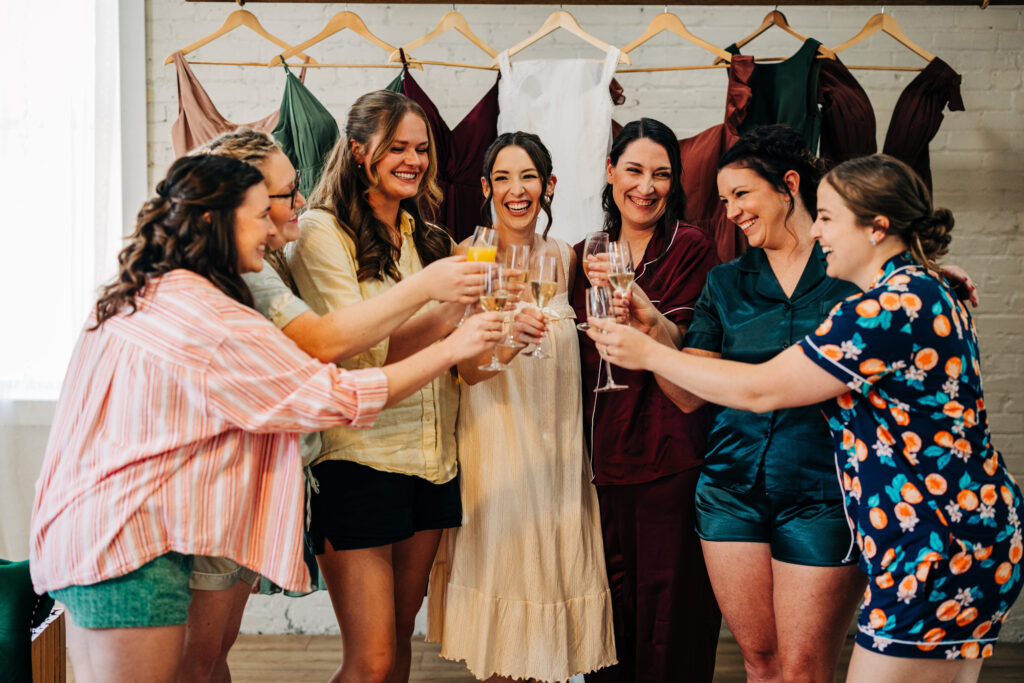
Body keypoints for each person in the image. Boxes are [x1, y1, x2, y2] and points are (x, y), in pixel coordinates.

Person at [29, 154, 503, 683]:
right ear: (216, 222)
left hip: (85, 534)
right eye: (261, 214)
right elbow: (335, 396)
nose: (276, 226)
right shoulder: (214, 318)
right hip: (132, 545)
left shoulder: (145, 292)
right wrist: (451, 347)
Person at [588, 153, 1023, 683]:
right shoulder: (921, 291)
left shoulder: (886, 307)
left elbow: (760, 387)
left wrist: (650, 353)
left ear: (877, 228)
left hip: (931, 542)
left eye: (829, 217)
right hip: (959, 531)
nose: (816, 231)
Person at [181, 128, 489, 683]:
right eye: (284, 194)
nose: (299, 202)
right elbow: (334, 355)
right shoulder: (293, 248)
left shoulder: (260, 271)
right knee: (201, 664)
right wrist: (436, 307)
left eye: (421, 149)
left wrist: (463, 325)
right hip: (223, 489)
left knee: (214, 661)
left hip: (260, 484)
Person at [287, 90, 482, 683]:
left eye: (421, 149)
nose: (413, 160)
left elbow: (458, 357)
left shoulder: (430, 238)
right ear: (357, 150)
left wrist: (498, 332)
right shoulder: (324, 232)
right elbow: (355, 356)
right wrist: (440, 307)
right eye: (396, 146)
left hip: (433, 460)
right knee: (369, 661)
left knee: (399, 641)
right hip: (360, 459)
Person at [426, 132, 616, 681]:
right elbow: (466, 370)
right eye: (504, 178)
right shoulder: (469, 257)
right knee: (505, 590)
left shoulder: (565, 258)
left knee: (550, 589)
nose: (517, 190)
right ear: (486, 188)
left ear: (549, 185)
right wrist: (508, 341)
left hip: (557, 451)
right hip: (496, 449)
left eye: (528, 176)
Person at [570, 118, 722, 682]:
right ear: (610, 172)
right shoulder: (586, 252)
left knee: (671, 618)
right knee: (606, 620)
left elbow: (688, 348)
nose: (647, 186)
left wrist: (638, 304)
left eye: (661, 174)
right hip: (600, 462)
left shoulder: (691, 246)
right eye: (634, 170)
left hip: (669, 456)